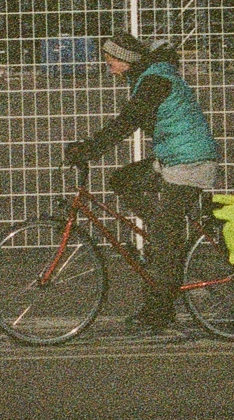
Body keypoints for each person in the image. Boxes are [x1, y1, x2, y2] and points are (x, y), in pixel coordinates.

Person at [62, 31, 220, 330]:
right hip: (172, 161)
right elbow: (127, 121)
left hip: (191, 165)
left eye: (110, 60)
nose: (107, 65)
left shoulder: (155, 82)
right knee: (123, 179)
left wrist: (89, 149)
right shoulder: (148, 77)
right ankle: (164, 234)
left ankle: (159, 309)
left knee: (162, 239)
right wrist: (90, 147)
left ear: (125, 60)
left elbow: (127, 122)